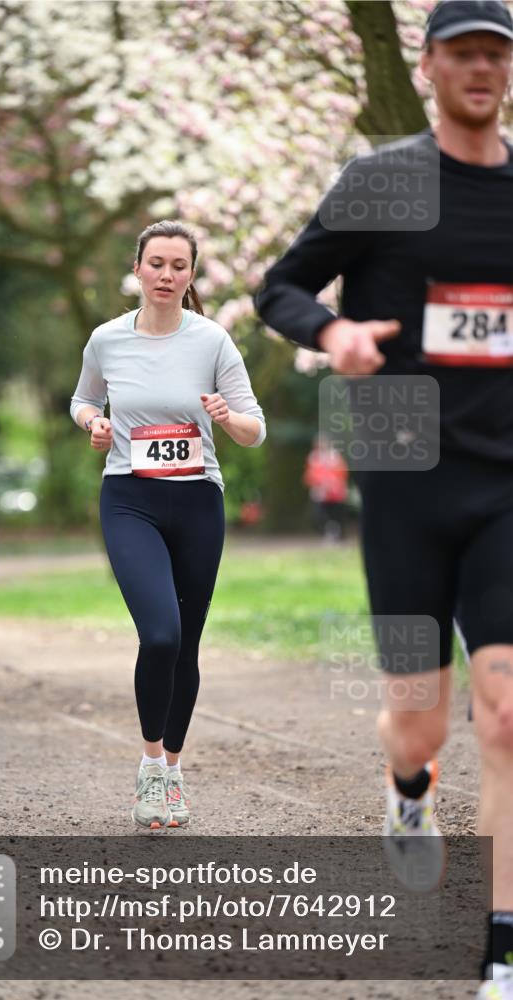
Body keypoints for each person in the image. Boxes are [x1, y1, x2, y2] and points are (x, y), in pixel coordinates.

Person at [256, 2, 512, 994]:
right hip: (404, 475)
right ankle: (409, 786)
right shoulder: (384, 181)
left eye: (496, 54)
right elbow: (281, 287)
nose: (481, 69)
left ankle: (499, 948)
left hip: (505, 480)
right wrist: (334, 335)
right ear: (431, 63)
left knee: (506, 712)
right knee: (420, 721)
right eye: (463, 53)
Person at [71, 219, 266, 830]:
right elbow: (83, 399)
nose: (166, 274)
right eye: (156, 263)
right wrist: (94, 424)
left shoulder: (212, 341)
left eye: (178, 265)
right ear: (137, 269)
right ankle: (150, 763)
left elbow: (254, 429)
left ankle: (173, 773)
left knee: (187, 644)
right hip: (130, 498)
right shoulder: (107, 339)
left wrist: (226, 416)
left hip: (198, 501)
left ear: (191, 274)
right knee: (160, 635)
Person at [303, 434, 349, 542]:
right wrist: (319, 482)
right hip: (320, 491)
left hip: (335, 491)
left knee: (336, 514)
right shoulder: (313, 457)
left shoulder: (335, 456)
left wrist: (333, 483)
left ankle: (337, 534)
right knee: (319, 514)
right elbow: (310, 474)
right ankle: (328, 532)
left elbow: (342, 472)